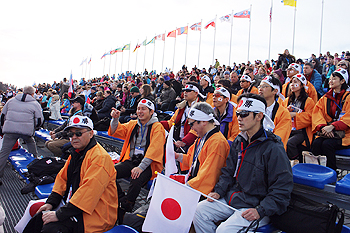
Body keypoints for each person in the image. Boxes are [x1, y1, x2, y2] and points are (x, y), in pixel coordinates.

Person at [193, 93, 293, 233]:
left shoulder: (273, 148)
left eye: (244, 114)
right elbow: (228, 171)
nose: (239, 118)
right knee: (198, 211)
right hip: (235, 198)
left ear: (259, 116)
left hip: (257, 206)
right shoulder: (239, 141)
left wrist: (261, 210)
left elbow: (282, 187)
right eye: (238, 113)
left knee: (224, 231)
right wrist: (219, 191)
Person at [30, 115, 118, 233]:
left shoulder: (100, 158)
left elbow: (89, 193)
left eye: (79, 133)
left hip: (96, 216)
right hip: (77, 207)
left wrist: (60, 214)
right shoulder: (77, 153)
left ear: (91, 134)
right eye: (71, 134)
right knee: (38, 216)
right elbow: (62, 179)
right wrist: (51, 202)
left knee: (50, 228)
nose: (74, 138)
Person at [108, 99, 164, 220]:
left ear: (151, 111)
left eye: (143, 109)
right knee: (108, 172)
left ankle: (127, 206)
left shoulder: (157, 127)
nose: (140, 111)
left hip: (149, 164)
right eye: (138, 108)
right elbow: (115, 131)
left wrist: (140, 167)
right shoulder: (133, 124)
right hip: (132, 160)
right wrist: (115, 119)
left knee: (136, 178)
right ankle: (121, 199)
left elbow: (154, 150)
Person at [174, 102, 230, 195]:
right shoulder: (202, 138)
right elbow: (192, 160)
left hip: (204, 191)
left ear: (204, 121)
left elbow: (208, 176)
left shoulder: (217, 142)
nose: (192, 129)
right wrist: (176, 156)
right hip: (196, 184)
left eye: (192, 124)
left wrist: (185, 188)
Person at [0, 86, 43, 185]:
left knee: (4, 153)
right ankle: (37, 168)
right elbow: (39, 120)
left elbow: (2, 116)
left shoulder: (11, 101)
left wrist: (3, 127)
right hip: (26, 131)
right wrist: (33, 128)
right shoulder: (35, 104)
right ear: (33, 94)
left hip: (10, 130)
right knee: (32, 147)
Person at [312, 68, 350, 171]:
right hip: (327, 130)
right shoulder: (325, 98)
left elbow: (348, 117)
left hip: (345, 134)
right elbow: (317, 113)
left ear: (342, 81)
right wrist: (323, 127)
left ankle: (331, 172)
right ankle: (316, 170)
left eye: (334, 78)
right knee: (316, 143)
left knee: (327, 145)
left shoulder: (348, 97)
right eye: (330, 78)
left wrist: (333, 127)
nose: (330, 81)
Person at [160, 82, 203, 152]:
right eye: (184, 90)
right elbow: (171, 123)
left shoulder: (201, 108)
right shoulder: (182, 107)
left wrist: (185, 141)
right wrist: (159, 123)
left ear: (196, 93)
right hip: (180, 140)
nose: (185, 92)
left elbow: (197, 130)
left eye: (188, 91)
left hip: (193, 144)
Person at [282, 74, 315, 160]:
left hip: (301, 131)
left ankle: (295, 161)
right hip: (289, 128)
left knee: (290, 143)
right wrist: (286, 111)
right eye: (291, 82)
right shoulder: (287, 100)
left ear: (302, 85)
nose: (292, 84)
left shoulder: (309, 101)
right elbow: (281, 113)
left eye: (295, 82)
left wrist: (295, 115)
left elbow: (310, 117)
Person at [258, 76, 292, 149]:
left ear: (275, 91)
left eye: (264, 86)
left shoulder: (283, 113)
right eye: (259, 86)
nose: (260, 89)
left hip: (272, 151)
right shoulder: (255, 109)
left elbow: (279, 138)